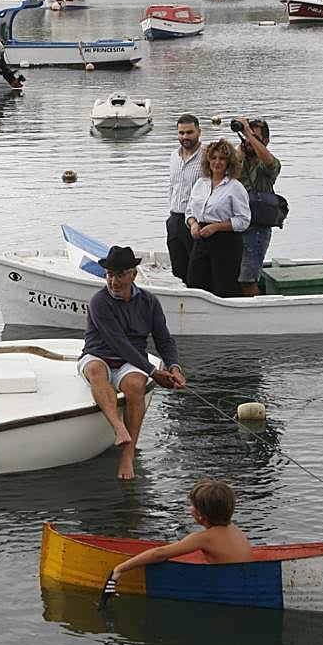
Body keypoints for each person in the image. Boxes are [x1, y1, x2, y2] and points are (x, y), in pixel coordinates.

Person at [78, 245, 186, 480]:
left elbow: (164, 339)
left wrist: (174, 367)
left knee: (136, 386)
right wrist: (153, 372)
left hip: (131, 362)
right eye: (110, 275)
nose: (114, 281)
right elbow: (117, 343)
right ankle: (119, 428)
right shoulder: (99, 301)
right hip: (99, 355)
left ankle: (127, 457)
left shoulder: (149, 302)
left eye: (120, 275)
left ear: (133, 275)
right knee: (96, 370)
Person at [109, 479, 253, 584]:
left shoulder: (204, 538)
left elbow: (159, 554)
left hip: (229, 584)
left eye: (192, 506)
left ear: (200, 516)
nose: (190, 508)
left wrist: (120, 568)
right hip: (245, 578)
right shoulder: (234, 529)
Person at [186, 139, 251, 299]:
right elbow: (189, 211)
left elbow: (244, 221)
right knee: (195, 283)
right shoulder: (201, 183)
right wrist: (193, 224)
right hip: (201, 240)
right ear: (208, 160)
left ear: (229, 162)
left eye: (222, 158)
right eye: (214, 158)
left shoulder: (235, 187)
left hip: (226, 243)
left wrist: (216, 227)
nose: (217, 162)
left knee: (224, 288)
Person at [235, 118, 281, 297]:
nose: (248, 141)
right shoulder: (240, 160)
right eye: (245, 137)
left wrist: (248, 134)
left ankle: (259, 308)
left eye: (255, 137)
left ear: (266, 141)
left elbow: (269, 161)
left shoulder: (269, 164)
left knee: (248, 280)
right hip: (236, 227)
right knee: (235, 277)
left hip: (257, 230)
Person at [166, 114, 204, 283]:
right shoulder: (174, 156)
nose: (185, 137)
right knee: (178, 269)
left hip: (196, 221)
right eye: (181, 133)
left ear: (199, 132)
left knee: (196, 269)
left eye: (190, 132)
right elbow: (172, 186)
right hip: (174, 219)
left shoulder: (207, 156)